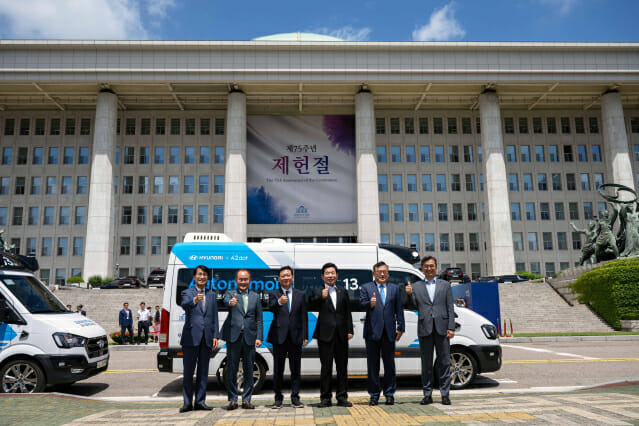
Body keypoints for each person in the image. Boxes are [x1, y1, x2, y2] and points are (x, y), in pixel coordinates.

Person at [406, 256, 455, 406]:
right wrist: (409, 295)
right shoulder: (416, 286)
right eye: (426, 266)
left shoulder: (445, 285)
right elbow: (413, 306)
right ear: (422, 268)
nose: (429, 268)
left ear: (436, 267)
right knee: (426, 365)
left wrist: (451, 327)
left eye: (431, 266)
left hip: (442, 329)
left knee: (444, 363)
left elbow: (450, 308)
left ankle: (445, 395)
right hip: (425, 329)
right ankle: (427, 395)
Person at [359, 261, 405, 406]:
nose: (382, 274)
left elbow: (399, 309)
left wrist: (401, 327)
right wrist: (369, 304)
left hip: (389, 332)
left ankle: (389, 394)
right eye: (379, 271)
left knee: (389, 365)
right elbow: (361, 303)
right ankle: (374, 395)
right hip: (372, 332)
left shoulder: (395, 288)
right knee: (373, 366)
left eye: (385, 271)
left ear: (388, 273)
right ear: (374, 274)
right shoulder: (366, 287)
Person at [310, 263, 353, 408]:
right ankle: (325, 398)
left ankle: (342, 397)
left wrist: (350, 330)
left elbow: (347, 312)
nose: (330, 275)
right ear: (322, 276)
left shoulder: (342, 291)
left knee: (342, 368)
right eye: (327, 273)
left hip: (341, 335)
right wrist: (321, 297)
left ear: (337, 275)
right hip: (325, 336)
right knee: (326, 368)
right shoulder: (317, 291)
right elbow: (310, 304)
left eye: (333, 273)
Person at [267, 266, 308, 409]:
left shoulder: (300, 294)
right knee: (278, 370)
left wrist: (304, 335)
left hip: (296, 337)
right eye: (283, 276)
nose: (286, 278)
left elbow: (304, 316)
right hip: (279, 336)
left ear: (292, 278)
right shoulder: (274, 293)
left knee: (295, 370)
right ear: (279, 279)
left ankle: (295, 398)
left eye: (288, 275)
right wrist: (279, 302)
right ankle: (278, 398)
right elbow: (270, 307)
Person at [179, 265, 219, 413]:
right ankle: (187, 403)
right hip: (191, 338)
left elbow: (214, 317)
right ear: (195, 277)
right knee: (188, 372)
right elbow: (185, 306)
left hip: (207, 338)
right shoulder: (187, 292)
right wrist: (194, 300)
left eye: (205, 275)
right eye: (199, 274)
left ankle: (200, 402)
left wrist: (215, 335)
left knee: (203, 372)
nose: (202, 277)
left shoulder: (212, 295)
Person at [221, 269, 262, 410]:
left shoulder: (255, 296)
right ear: (236, 280)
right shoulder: (230, 293)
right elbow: (225, 301)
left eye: (245, 279)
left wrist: (259, 337)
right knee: (232, 369)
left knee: (249, 369)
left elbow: (259, 319)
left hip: (250, 337)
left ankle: (247, 400)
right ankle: (233, 400)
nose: (243, 282)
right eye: (240, 279)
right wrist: (230, 302)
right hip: (234, 337)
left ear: (249, 280)